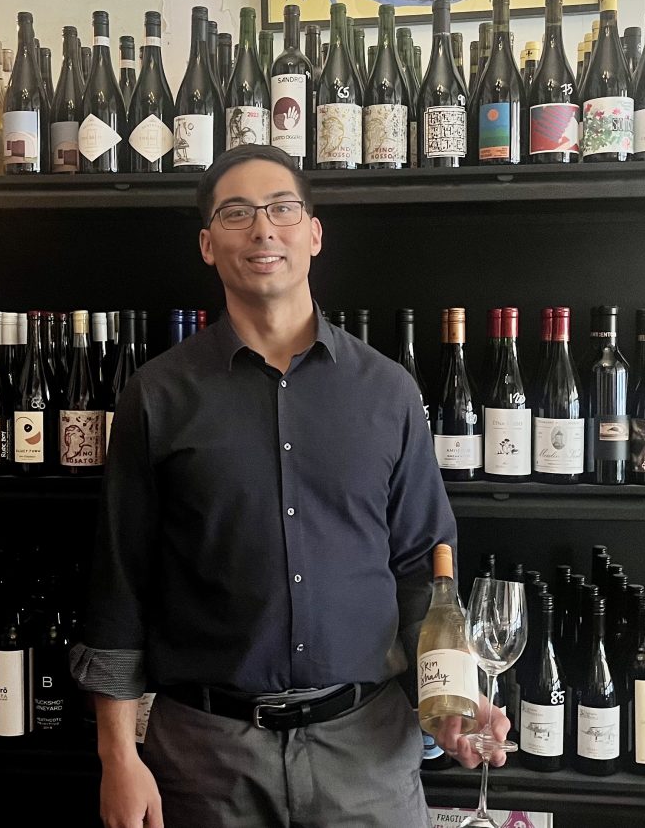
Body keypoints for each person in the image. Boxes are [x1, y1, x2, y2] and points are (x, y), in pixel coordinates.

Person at [71, 144, 508, 828]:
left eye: (282, 208)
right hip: (206, 757)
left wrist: (449, 697)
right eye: (237, 213)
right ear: (208, 244)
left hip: (366, 751)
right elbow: (120, 585)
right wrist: (117, 758)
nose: (263, 229)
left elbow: (426, 573)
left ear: (313, 231)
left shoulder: (388, 392)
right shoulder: (156, 394)